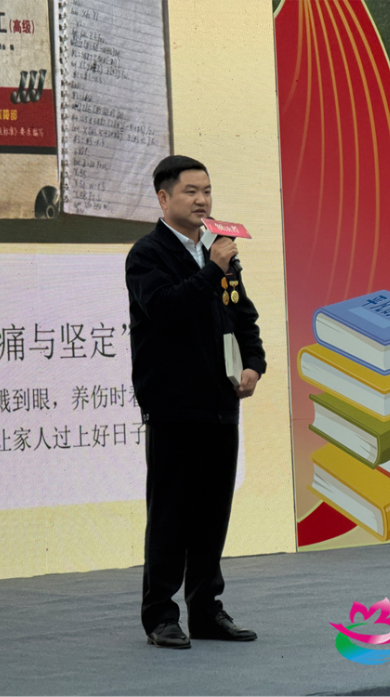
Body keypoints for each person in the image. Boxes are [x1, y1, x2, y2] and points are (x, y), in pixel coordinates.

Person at [125, 155, 266, 649]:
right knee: (171, 515)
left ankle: (206, 610)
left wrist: (254, 365)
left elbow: (242, 316)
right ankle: (161, 615)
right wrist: (212, 268)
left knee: (211, 514)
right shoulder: (147, 254)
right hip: (173, 404)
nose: (202, 200)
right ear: (164, 198)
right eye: (191, 191)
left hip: (220, 402)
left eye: (207, 190)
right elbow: (165, 308)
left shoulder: (217, 250)